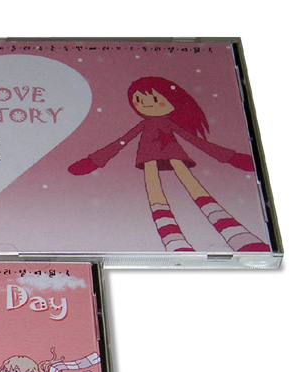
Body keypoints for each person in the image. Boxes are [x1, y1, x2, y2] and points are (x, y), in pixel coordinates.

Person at [68, 76, 269, 253]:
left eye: (155, 99)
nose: (146, 105)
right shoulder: (144, 124)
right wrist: (94, 161)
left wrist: (232, 158)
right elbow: (122, 141)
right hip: (148, 156)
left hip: (172, 153)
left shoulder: (169, 122)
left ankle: (237, 234)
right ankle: (173, 239)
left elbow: (196, 141)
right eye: (139, 100)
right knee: (155, 189)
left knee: (190, 183)